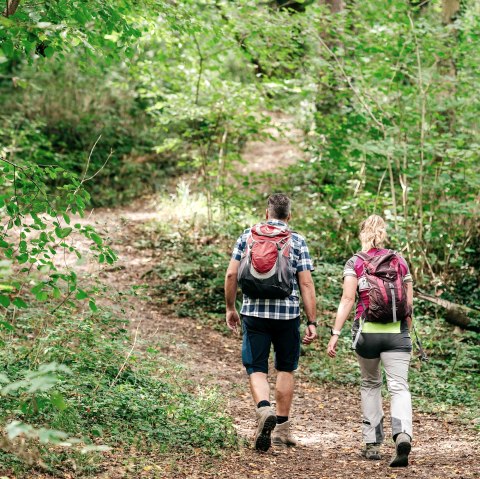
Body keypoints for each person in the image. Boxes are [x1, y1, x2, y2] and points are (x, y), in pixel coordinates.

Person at [225, 193, 318, 452]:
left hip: (253, 312)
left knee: (256, 368)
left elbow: (232, 273)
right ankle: (282, 430)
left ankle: (264, 410)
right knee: (286, 368)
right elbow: (306, 283)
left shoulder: (247, 235)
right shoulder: (296, 239)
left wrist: (231, 307)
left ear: (267, 213)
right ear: (289, 216)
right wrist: (312, 321)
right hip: (287, 316)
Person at [327, 214, 414, 467]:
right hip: (397, 332)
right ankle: (403, 435)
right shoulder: (399, 261)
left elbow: (347, 300)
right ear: (383, 233)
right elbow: (408, 303)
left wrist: (335, 334)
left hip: (366, 334)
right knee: (399, 386)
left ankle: (372, 444)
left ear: (362, 234)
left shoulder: (355, 262)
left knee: (370, 384)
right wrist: (406, 332)